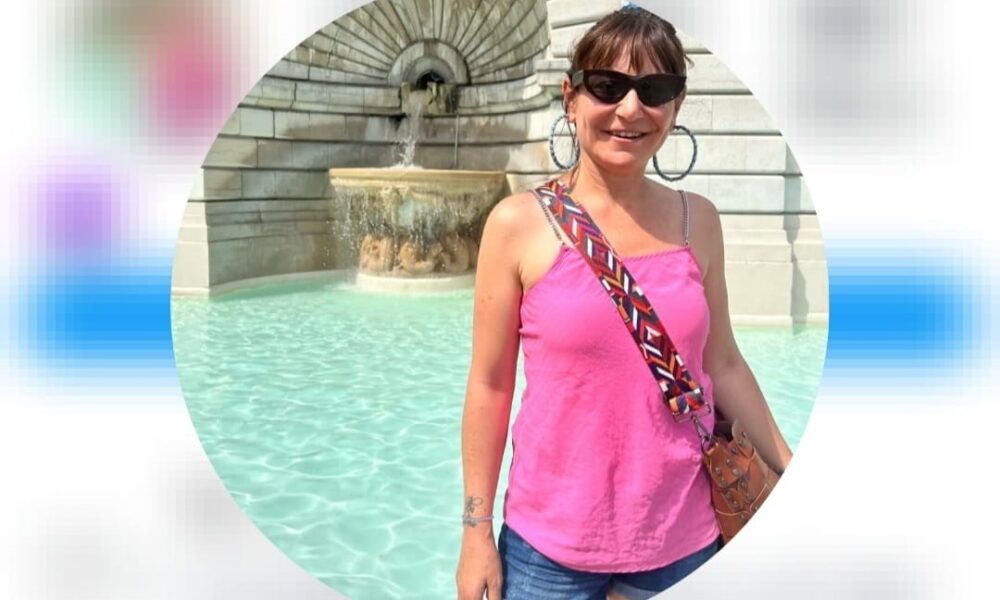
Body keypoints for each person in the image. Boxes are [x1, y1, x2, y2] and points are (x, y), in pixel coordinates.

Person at [455, 7, 792, 599]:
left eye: (654, 89)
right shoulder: (515, 224)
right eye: (608, 86)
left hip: (684, 543)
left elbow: (724, 364)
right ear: (571, 97)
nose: (631, 109)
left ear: (676, 105)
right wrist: (476, 531)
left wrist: (790, 469)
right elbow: (489, 385)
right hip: (547, 552)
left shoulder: (698, 222)